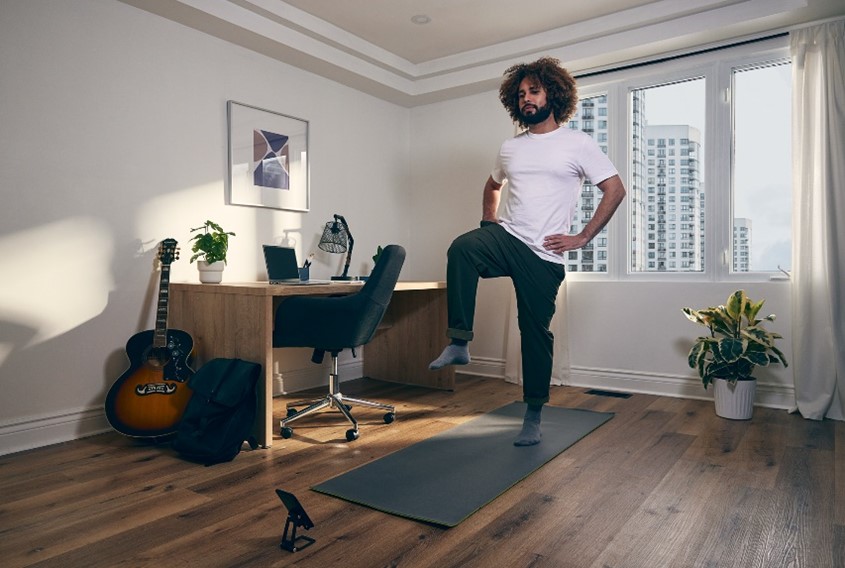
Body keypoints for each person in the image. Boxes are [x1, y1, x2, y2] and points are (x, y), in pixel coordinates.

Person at [429, 57, 626, 446]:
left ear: (553, 93)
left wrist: (582, 237)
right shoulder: (510, 148)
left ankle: (533, 413)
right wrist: (490, 222)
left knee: (534, 332)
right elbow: (492, 185)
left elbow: (615, 189)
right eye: (520, 94)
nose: (526, 99)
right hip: (509, 237)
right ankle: (459, 342)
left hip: (545, 254)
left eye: (533, 91)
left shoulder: (578, 143)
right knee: (463, 248)